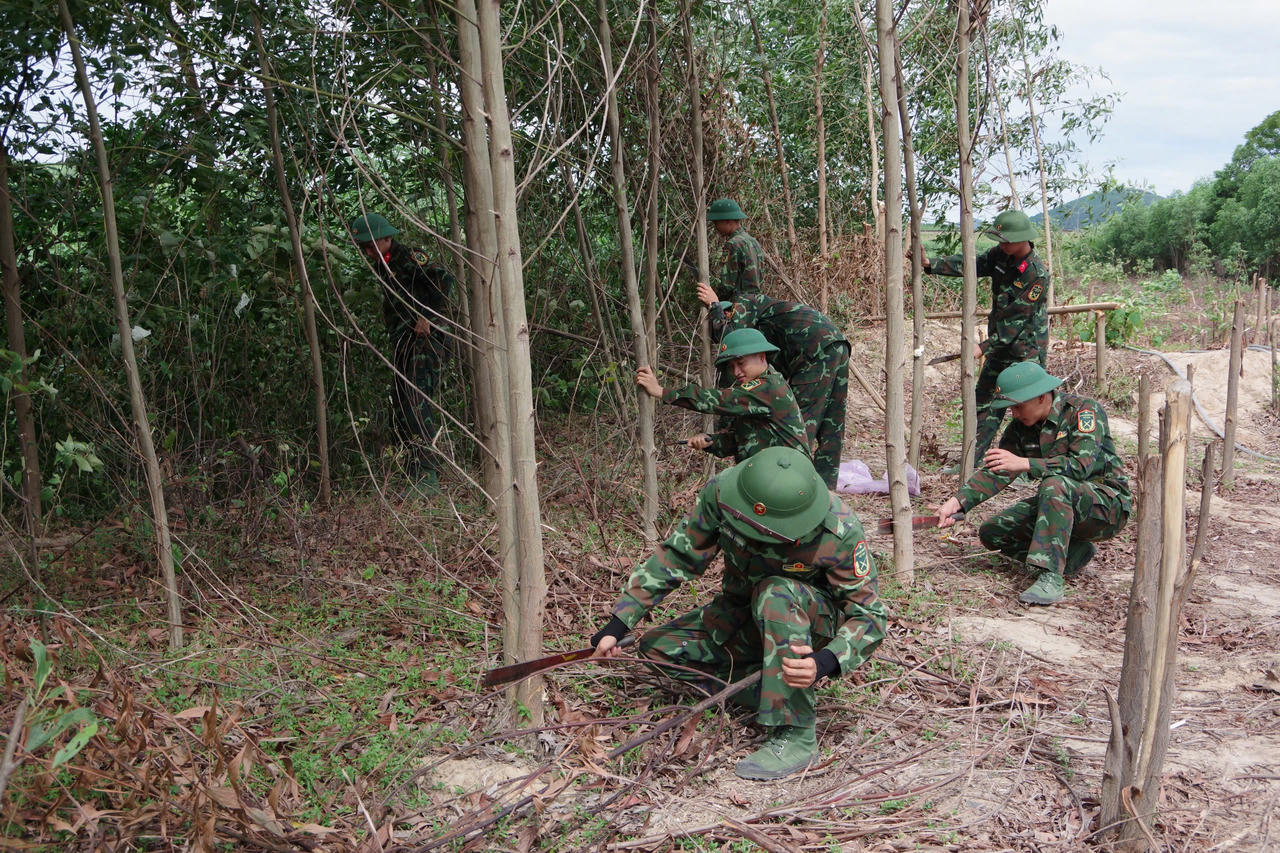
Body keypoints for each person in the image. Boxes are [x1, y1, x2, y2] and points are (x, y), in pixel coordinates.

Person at [592, 447, 887, 780]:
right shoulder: (724, 495)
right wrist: (619, 622)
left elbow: (869, 615)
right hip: (741, 613)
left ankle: (797, 733)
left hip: (805, 630)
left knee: (776, 592)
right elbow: (678, 556)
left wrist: (825, 661)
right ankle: (762, 687)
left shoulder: (838, 529)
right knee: (657, 649)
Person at [932, 362, 1131, 606]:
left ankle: (1051, 576)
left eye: (1018, 406)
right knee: (994, 532)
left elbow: (1080, 467)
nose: (1014, 414)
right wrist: (958, 502)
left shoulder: (1083, 411)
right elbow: (998, 471)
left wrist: (1025, 463)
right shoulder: (1020, 428)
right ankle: (1072, 553)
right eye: (1010, 408)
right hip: (1059, 505)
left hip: (1106, 507)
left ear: (1040, 397)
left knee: (1054, 484)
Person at [921, 209, 1050, 469]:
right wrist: (930, 264)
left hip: (1025, 351)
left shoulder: (1035, 274)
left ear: (1022, 238)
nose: (1002, 245)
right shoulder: (999, 255)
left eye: (1006, 241)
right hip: (999, 348)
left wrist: (982, 347)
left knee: (1028, 409)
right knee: (983, 404)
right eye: (999, 240)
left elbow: (1016, 320)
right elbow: (971, 265)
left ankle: (1036, 464)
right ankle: (970, 462)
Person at [696, 287, 850, 490]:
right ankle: (826, 491)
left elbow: (729, 335)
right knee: (832, 423)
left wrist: (714, 306)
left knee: (798, 426)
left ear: (728, 313)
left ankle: (797, 490)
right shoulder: (762, 326)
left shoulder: (742, 305)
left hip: (813, 349)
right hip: (834, 343)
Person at [349, 212, 453, 491]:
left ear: (385, 238)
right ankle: (414, 467)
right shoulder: (383, 263)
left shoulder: (409, 257)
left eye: (371, 246)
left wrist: (427, 317)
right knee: (401, 404)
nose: (368, 252)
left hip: (427, 341)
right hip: (404, 341)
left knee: (416, 402)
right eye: (364, 248)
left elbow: (444, 280)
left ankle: (427, 476)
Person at [636, 328, 808, 464]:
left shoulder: (768, 387)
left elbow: (717, 399)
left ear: (762, 357)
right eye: (732, 367)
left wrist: (661, 391)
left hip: (789, 474)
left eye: (740, 363)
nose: (736, 372)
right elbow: (744, 440)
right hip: (772, 473)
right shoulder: (759, 390)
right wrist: (711, 442)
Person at [698, 198, 765, 303]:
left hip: (740, 306)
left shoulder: (732, 245)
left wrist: (714, 300)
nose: (716, 227)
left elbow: (727, 285)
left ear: (728, 221)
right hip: (758, 303)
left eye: (717, 223)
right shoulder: (753, 241)